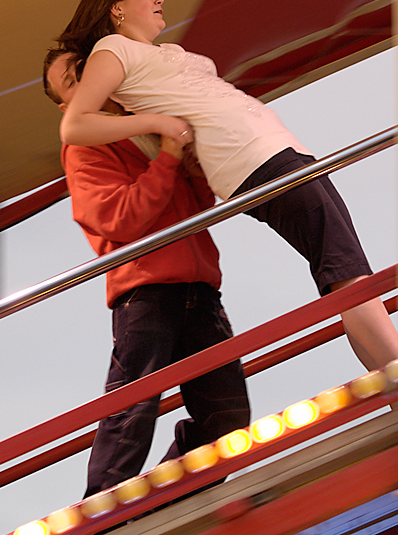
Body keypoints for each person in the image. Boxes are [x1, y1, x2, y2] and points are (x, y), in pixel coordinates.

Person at [56, 0, 398, 372]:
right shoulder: (113, 49)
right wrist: (158, 124)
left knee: (346, 267)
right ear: (116, 7)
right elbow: (76, 123)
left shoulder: (162, 52)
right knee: (345, 269)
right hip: (251, 158)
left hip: (277, 150)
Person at [43, 48, 250, 497]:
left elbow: (196, 199)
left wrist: (186, 158)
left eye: (85, 70)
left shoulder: (145, 119)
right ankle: (104, 515)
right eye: (72, 81)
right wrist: (170, 157)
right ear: (66, 106)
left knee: (227, 418)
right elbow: (123, 218)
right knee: (130, 415)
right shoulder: (83, 145)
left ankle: (156, 504)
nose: (85, 82)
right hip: (146, 290)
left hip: (196, 286)